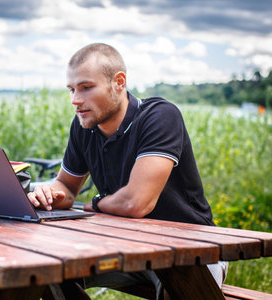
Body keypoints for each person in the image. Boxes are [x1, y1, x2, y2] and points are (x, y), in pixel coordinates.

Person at [27, 43, 228, 299]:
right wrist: (47, 193)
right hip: (124, 245)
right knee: (45, 271)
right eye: (72, 89)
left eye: (86, 87)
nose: (75, 100)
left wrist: (97, 203)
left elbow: (136, 203)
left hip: (194, 251)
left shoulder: (160, 116)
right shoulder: (83, 126)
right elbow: (66, 187)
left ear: (119, 82)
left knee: (178, 287)